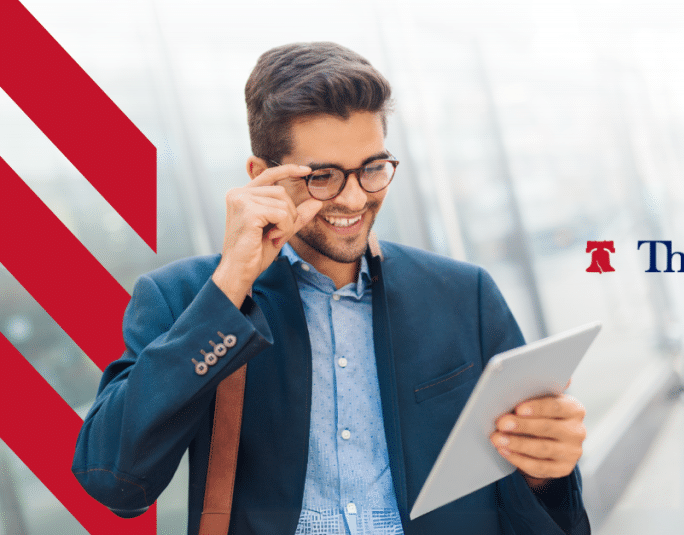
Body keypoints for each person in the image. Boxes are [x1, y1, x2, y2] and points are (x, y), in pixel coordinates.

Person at [72, 42, 589, 535]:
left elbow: (541, 506)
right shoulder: (186, 298)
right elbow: (113, 480)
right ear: (261, 177)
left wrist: (545, 468)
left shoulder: (463, 295)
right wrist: (230, 286)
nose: (353, 198)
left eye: (372, 169)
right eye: (322, 176)